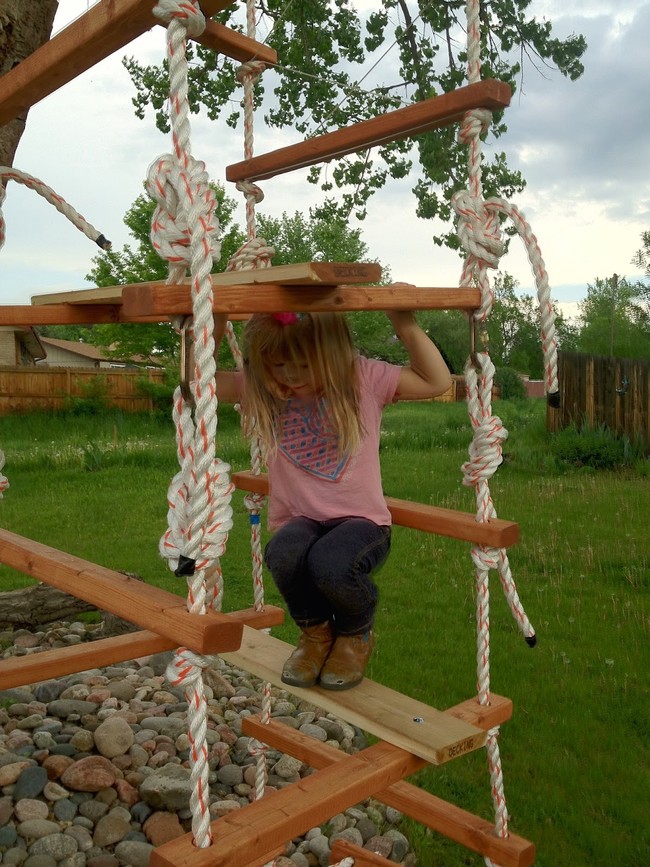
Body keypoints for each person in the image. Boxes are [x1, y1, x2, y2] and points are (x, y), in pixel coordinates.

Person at [215, 307, 452, 691]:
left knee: (331, 563)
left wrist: (403, 322)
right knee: (283, 555)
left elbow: (437, 381)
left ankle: (355, 633)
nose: (290, 376)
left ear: (332, 355)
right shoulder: (263, 387)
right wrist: (217, 319)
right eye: (278, 365)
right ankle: (316, 636)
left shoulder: (363, 379)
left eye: (304, 366)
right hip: (301, 519)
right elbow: (198, 380)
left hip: (362, 523)